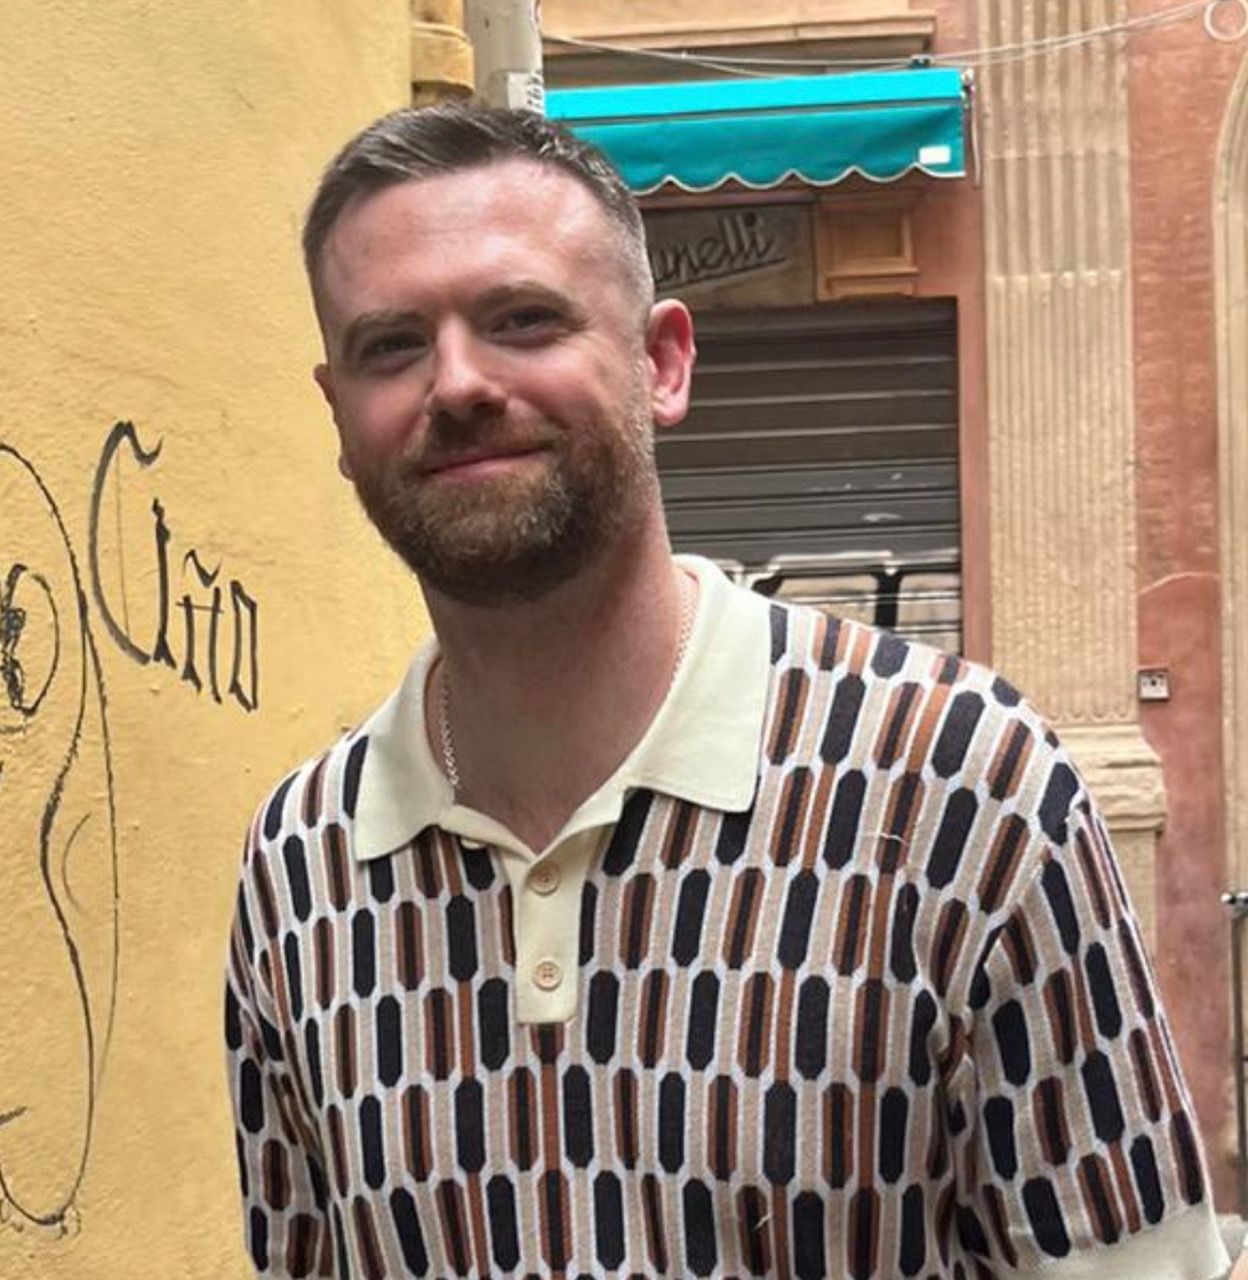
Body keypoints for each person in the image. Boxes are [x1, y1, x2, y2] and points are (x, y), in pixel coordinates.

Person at [224, 101, 1230, 1279]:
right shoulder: (300, 867)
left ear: (662, 362)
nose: (457, 381)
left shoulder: (965, 786)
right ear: (338, 415)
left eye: (523, 319)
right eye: (391, 344)